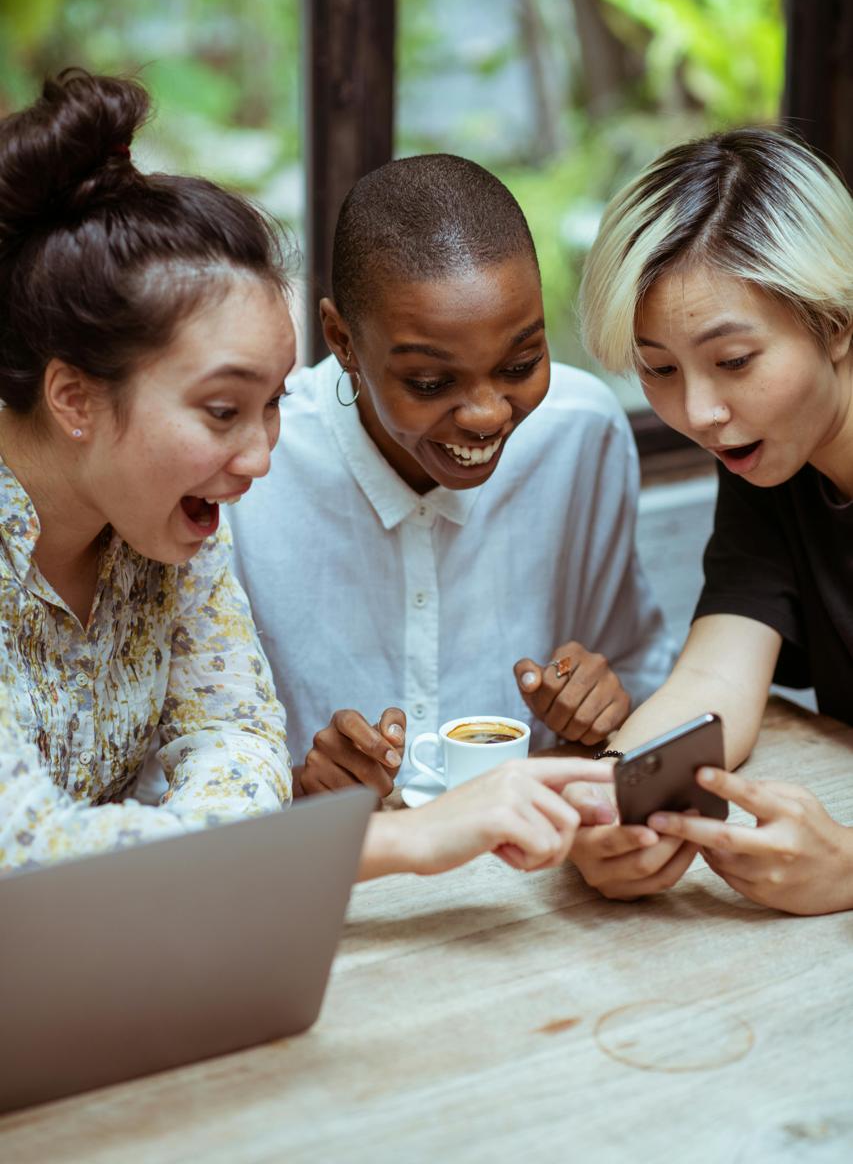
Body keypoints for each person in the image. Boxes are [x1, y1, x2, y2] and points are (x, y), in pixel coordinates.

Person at [0, 69, 614, 881]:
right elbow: (25, 849)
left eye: (272, 404)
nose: (259, 458)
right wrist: (400, 840)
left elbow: (240, 747)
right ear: (74, 396)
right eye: (222, 411)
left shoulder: (161, 525)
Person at [227, 154, 674, 798]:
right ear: (342, 340)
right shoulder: (253, 477)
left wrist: (604, 705)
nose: (488, 414)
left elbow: (639, 671)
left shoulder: (580, 434)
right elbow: (175, 769)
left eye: (522, 363)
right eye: (431, 382)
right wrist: (294, 788)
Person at [572, 125, 853, 914]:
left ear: (833, 320)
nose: (698, 412)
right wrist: (610, 805)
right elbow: (712, 676)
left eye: (732, 361)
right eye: (658, 369)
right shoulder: (772, 458)